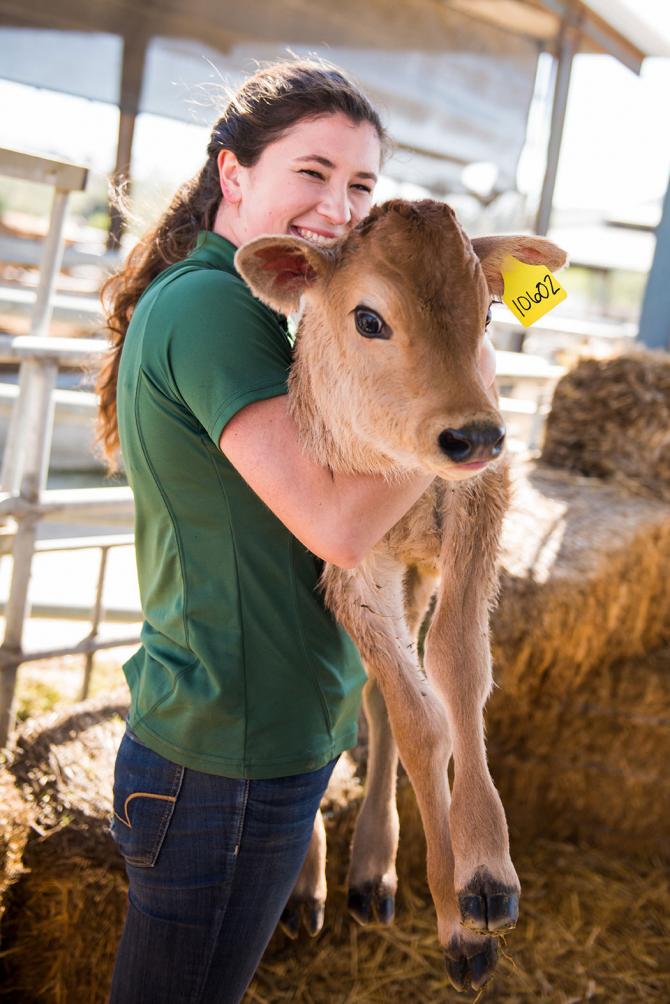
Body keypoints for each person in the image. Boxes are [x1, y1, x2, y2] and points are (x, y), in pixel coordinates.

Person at [98, 58, 491, 1004]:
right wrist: (462, 403)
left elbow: (518, 293)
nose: (337, 205)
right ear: (232, 173)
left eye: (360, 183)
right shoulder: (214, 306)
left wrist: (467, 308)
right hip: (224, 758)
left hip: (260, 737)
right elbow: (335, 525)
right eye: (311, 173)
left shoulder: (293, 302)